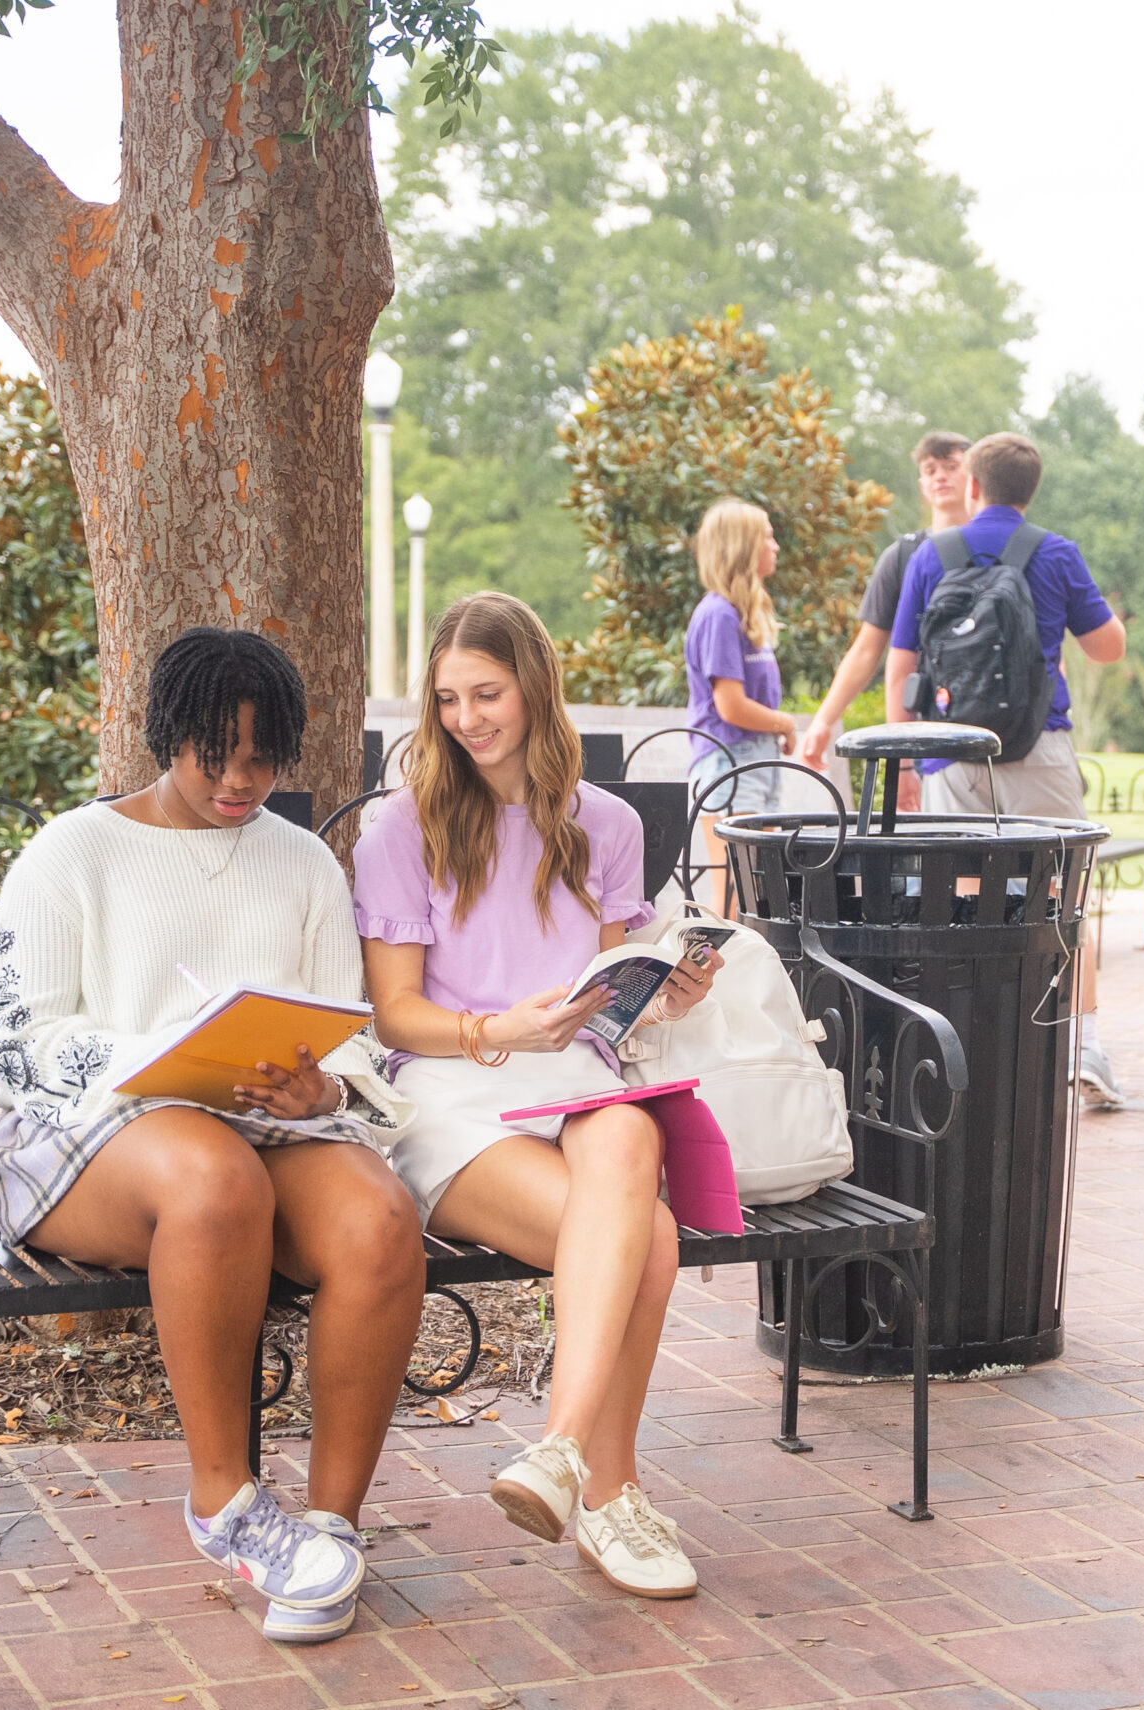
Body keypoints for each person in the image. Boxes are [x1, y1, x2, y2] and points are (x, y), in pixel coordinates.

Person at [0, 627, 426, 1645]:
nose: (239, 780)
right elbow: (17, 1048)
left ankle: (326, 1537)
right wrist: (162, 1057)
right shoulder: (74, 851)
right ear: (165, 734)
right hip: (90, 1140)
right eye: (214, 753)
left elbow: (350, 1040)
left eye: (263, 758)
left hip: (261, 1131)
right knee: (214, 1175)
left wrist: (319, 1090)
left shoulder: (302, 863)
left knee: (377, 1218)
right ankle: (227, 1503)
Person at [355, 591, 721, 1601]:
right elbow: (395, 1016)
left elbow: (605, 997)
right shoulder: (402, 827)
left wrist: (666, 993)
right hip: (453, 1090)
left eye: (487, 694)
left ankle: (560, 1455)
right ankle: (608, 1492)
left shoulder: (605, 824)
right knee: (647, 1237)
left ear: (534, 687)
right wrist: (495, 1031)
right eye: (448, 699)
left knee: (629, 1140)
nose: (466, 719)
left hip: (575, 1079)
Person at [883, 432, 1133, 1108]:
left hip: (951, 753)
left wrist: (905, 762)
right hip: (1039, 749)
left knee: (961, 896)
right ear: (1031, 491)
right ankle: (1083, 1044)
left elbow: (900, 668)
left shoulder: (932, 555)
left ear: (972, 486)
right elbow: (1109, 647)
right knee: (1065, 893)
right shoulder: (1055, 552)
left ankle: (974, 1046)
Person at [796, 431, 975, 808]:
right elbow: (867, 650)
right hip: (927, 728)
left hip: (995, 725)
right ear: (922, 485)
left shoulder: (1000, 548)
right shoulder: (903, 556)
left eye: (951, 466)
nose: (940, 476)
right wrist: (824, 721)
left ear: (974, 475)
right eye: (931, 469)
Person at [681, 498, 796, 906]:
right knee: (737, 895)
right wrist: (784, 723)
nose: (775, 546)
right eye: (767, 537)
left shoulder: (742, 613)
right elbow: (730, 706)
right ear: (742, 547)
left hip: (756, 760)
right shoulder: (718, 615)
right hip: (730, 761)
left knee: (758, 896)